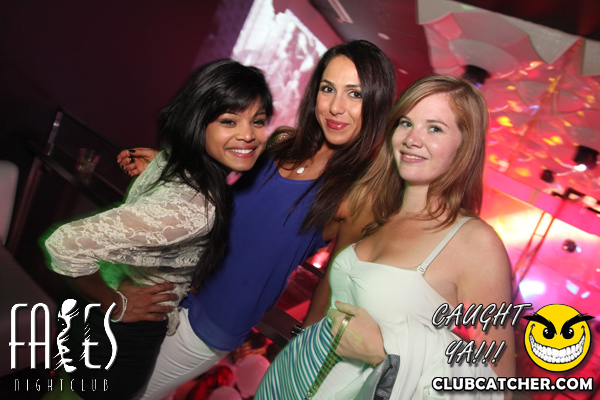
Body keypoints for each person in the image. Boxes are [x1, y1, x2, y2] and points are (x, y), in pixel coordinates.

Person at [117, 40, 397, 399]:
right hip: (172, 285)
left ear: (375, 103)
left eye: (354, 94)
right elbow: (222, 201)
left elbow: (332, 284)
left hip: (214, 322)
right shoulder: (282, 142)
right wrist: (166, 168)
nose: (336, 106)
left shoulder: (357, 195)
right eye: (328, 89)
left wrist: (299, 354)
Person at [256, 75, 515, 399]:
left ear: (465, 145)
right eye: (406, 123)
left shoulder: (475, 242)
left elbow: (499, 385)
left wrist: (387, 354)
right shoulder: (381, 214)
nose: (412, 139)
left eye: (435, 128)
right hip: (286, 380)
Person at [43, 59, 273, 399]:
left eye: (258, 121)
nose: (249, 135)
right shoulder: (194, 208)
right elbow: (64, 245)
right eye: (229, 120)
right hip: (119, 337)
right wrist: (115, 303)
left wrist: (162, 163)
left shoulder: (185, 168)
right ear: (199, 122)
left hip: (97, 322)